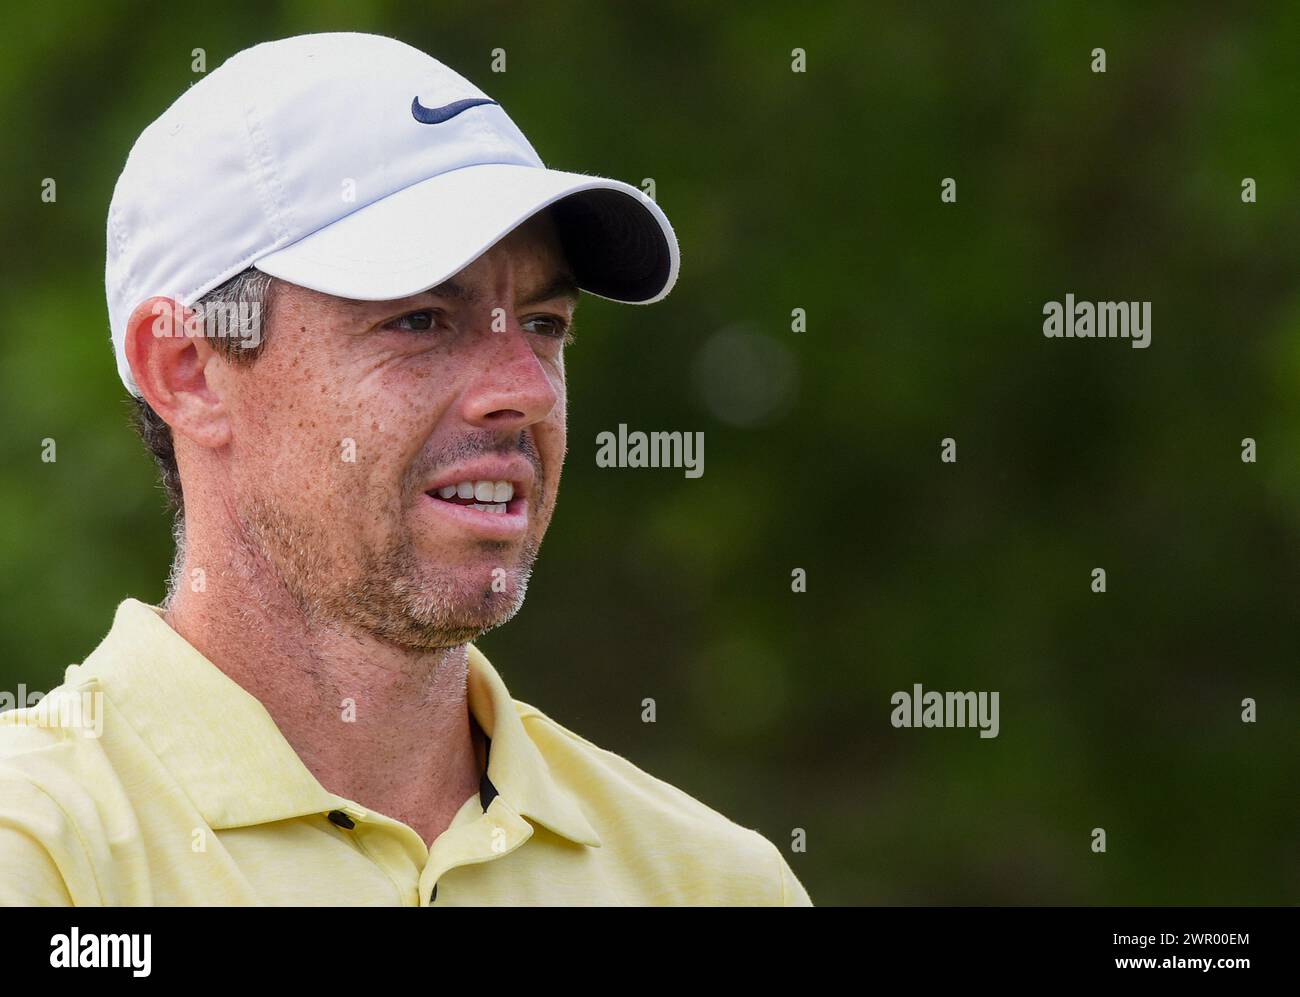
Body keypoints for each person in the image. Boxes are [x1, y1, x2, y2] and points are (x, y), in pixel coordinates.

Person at [0, 32, 812, 906]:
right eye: (421, 320)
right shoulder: (39, 849)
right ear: (187, 369)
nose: (525, 392)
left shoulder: (712, 880)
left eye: (543, 323)